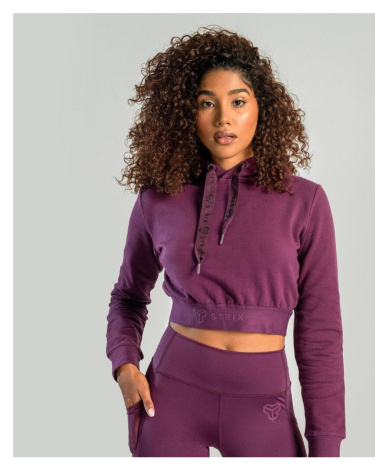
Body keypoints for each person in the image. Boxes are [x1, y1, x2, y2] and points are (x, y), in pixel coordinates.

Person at [106, 25, 346, 457]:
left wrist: (326, 447)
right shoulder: (158, 199)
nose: (223, 119)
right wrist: (125, 364)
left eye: (238, 101)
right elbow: (128, 296)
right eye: (206, 103)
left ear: (261, 107)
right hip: (170, 397)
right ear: (186, 113)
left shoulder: (305, 201)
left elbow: (320, 332)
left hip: (262, 407)